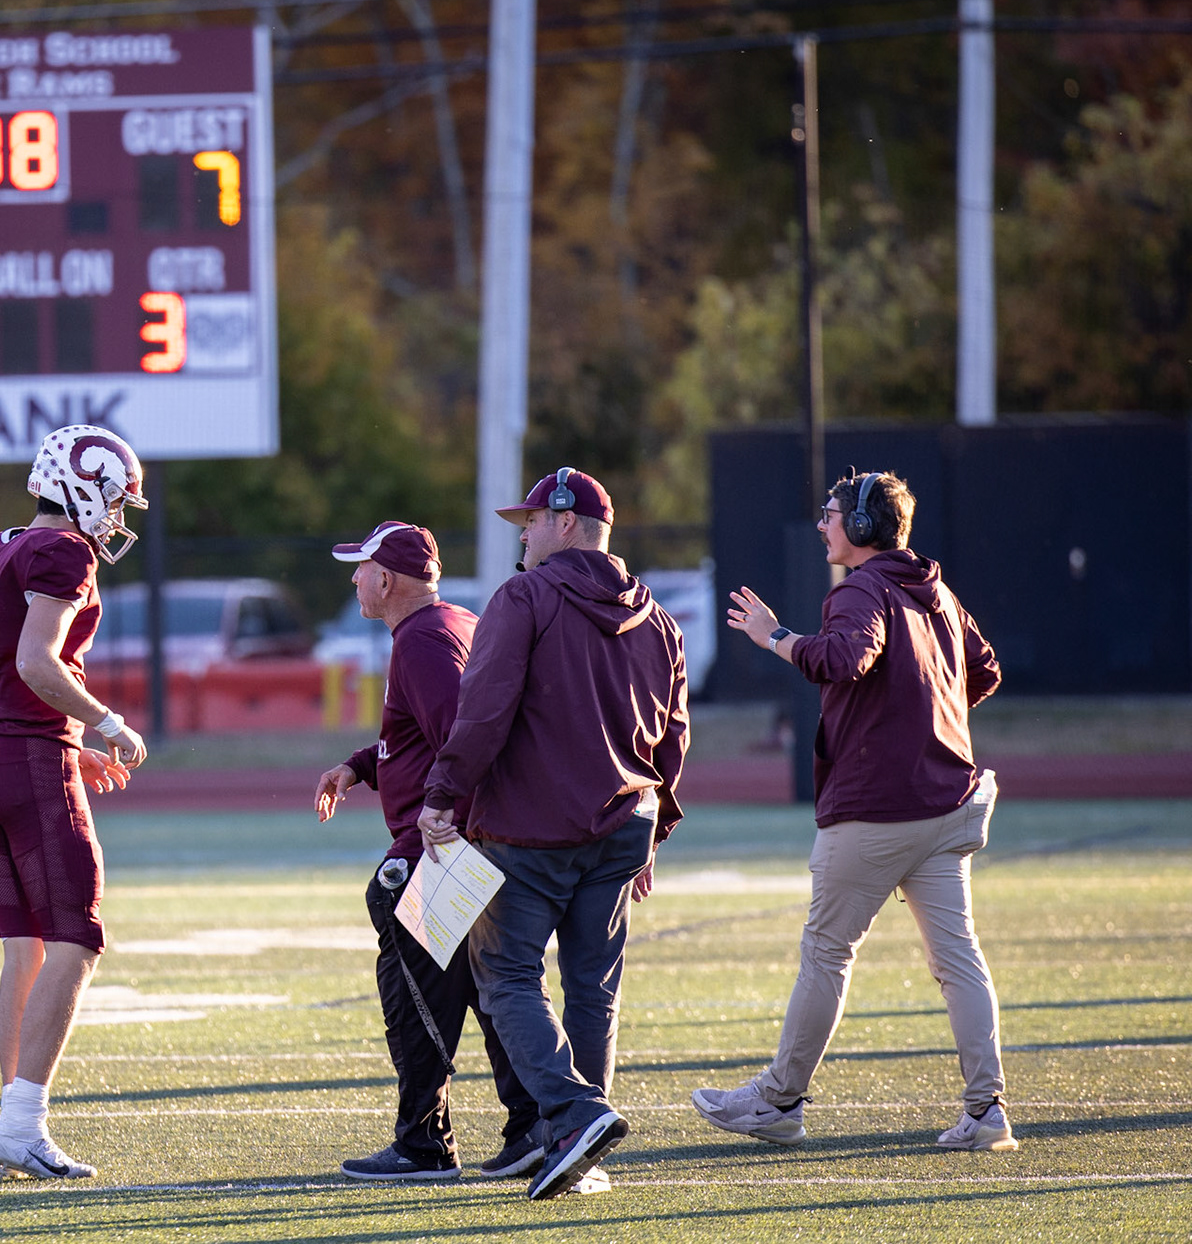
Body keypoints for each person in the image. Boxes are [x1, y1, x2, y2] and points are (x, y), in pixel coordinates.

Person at [691, 470, 1014, 1152]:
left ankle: (779, 1100)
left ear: (864, 525)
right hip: (944, 803)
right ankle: (987, 1109)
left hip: (877, 808)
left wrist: (773, 634)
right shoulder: (936, 590)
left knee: (826, 953)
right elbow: (982, 672)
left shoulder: (862, 587)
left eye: (832, 512)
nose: (822, 524)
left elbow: (841, 659)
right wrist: (921, 716)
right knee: (957, 959)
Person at [417, 468, 690, 1201]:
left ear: (566, 522)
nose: (523, 531)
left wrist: (441, 791)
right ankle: (583, 1148)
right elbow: (673, 736)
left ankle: (574, 1117)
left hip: (531, 824)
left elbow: (485, 708)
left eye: (532, 519)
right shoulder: (659, 618)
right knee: (593, 989)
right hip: (623, 821)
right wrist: (655, 830)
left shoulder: (525, 595)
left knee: (505, 975)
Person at [0, 424, 149, 1180]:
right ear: (81, 484)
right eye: (115, 497)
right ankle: (22, 1123)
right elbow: (34, 660)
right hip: (26, 761)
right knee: (78, 936)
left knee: (25, 946)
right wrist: (104, 720)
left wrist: (71, 736)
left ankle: (12, 1115)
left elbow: (4, 666)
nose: (118, 514)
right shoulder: (63, 551)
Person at [313, 521, 541, 1184]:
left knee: (415, 994)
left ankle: (423, 1142)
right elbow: (428, 735)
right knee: (485, 990)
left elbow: (463, 738)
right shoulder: (450, 623)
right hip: (470, 843)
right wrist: (361, 764)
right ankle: (530, 1125)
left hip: (443, 848)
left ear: (386, 578)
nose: (354, 577)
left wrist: (452, 837)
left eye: (360, 567)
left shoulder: (421, 641)